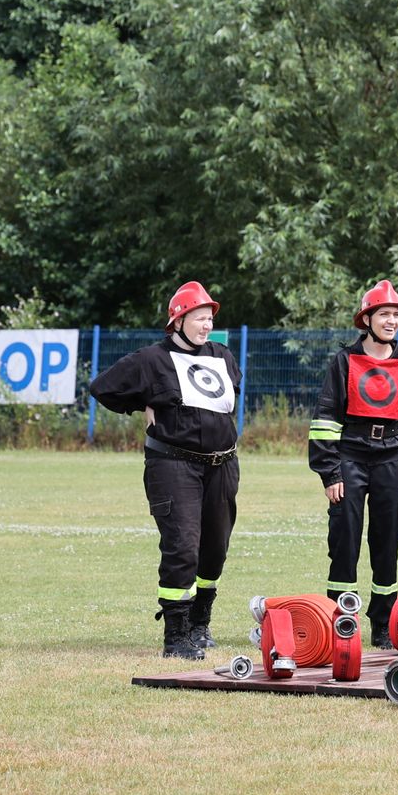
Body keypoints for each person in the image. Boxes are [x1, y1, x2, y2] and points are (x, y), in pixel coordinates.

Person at [86, 281, 242, 660]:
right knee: (182, 546)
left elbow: (228, 396)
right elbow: (102, 388)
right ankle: (176, 636)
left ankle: (201, 624)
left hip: (222, 465)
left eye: (209, 319)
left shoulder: (222, 355)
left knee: (215, 548)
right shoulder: (152, 359)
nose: (206, 325)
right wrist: (140, 405)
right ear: (178, 320)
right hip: (173, 465)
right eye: (199, 318)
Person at [308, 280, 398, 648]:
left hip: (391, 457)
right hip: (349, 456)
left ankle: (382, 623)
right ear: (367, 318)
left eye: (396, 315)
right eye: (384, 314)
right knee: (344, 537)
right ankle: (339, 619)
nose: (391, 321)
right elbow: (325, 417)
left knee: (386, 540)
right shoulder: (344, 360)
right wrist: (330, 471)